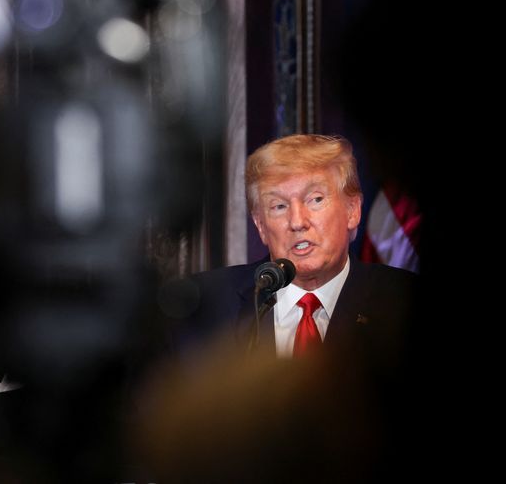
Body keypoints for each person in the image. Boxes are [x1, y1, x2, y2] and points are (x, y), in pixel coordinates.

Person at [164, 133, 416, 363]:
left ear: (352, 211)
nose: (297, 222)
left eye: (315, 199)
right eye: (279, 206)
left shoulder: (408, 305)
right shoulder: (202, 310)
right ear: (261, 225)